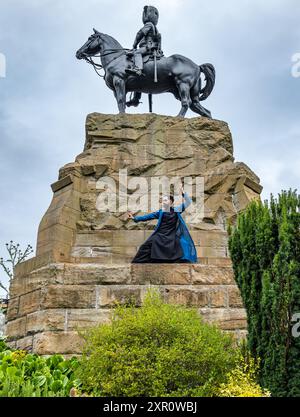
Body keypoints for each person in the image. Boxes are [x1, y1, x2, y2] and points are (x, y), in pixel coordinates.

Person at [128, 186, 198, 263]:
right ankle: (136, 265)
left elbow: (188, 202)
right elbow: (147, 217)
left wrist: (183, 193)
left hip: (171, 236)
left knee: (182, 245)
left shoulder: (177, 210)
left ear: (170, 202)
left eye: (165, 200)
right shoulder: (160, 212)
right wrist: (135, 218)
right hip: (159, 235)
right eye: (162, 201)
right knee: (144, 247)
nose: (163, 202)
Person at [126, 5, 163, 76]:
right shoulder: (155, 28)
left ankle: (138, 69)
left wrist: (134, 45)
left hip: (147, 48)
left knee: (137, 53)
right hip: (152, 48)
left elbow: (140, 34)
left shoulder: (149, 24)